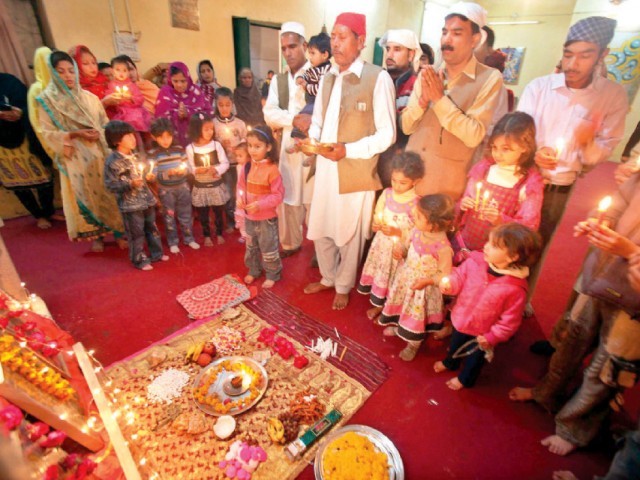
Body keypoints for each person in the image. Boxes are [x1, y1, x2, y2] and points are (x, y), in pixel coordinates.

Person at [509, 173, 640, 455]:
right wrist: (600, 222)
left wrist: (630, 251)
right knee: (572, 341)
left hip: (634, 306)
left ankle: (574, 428)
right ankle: (546, 393)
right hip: (602, 277)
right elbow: (618, 203)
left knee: (605, 370)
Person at [517, 16, 628, 310]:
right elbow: (520, 130)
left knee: (537, 243)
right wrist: (534, 152)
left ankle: (519, 300)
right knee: (506, 235)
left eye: (585, 55)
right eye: (568, 55)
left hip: (558, 186)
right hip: (522, 176)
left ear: (602, 54)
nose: (573, 64)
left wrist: (587, 142)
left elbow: (602, 151)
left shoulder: (612, 96)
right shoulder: (539, 87)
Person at [303, 12, 396, 310]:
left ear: (361, 41)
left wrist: (348, 150)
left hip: (355, 171)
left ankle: (343, 285)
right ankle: (328, 278)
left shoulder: (377, 78)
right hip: (326, 168)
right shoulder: (328, 76)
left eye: (343, 37)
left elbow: (387, 135)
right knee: (322, 225)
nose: (336, 43)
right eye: (333, 36)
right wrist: (311, 143)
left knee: (349, 233)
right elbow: (317, 121)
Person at [402, 2, 504, 199]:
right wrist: (422, 102)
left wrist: (439, 100)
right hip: (408, 180)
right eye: (444, 32)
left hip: (445, 188)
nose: (447, 40)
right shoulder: (428, 74)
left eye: (457, 33)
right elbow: (407, 128)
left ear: (475, 39)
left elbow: (474, 135)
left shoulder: (489, 78)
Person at [434, 223, 542, 389]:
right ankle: (451, 362)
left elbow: (509, 322)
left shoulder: (515, 289)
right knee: (455, 344)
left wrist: (492, 337)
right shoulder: (475, 263)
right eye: (488, 241)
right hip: (461, 318)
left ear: (512, 257)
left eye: (494, 246)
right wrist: (450, 285)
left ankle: (465, 379)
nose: (486, 247)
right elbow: (458, 276)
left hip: (483, 333)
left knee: (475, 359)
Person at [36, 50, 124, 251]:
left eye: (70, 71)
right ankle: (98, 236)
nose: (67, 75)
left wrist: (101, 136)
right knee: (87, 194)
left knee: (109, 192)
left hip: (100, 152)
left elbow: (104, 123)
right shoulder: (47, 100)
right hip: (75, 156)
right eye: (61, 71)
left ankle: (119, 232)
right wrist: (76, 134)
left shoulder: (90, 98)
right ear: (53, 73)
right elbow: (47, 132)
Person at [455, 112, 543, 257]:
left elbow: (528, 227)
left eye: (506, 149)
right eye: (495, 147)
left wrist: (500, 220)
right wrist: (463, 205)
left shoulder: (528, 183)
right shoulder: (483, 169)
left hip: (495, 255)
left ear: (525, 147)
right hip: (464, 242)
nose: (498, 154)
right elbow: (463, 201)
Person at [379, 194, 454, 361]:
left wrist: (428, 281)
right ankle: (400, 328)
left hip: (423, 289)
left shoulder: (443, 248)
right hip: (406, 280)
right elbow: (406, 246)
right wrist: (401, 251)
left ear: (434, 225)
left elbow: (444, 274)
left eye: (419, 216)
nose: (414, 214)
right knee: (402, 307)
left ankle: (413, 344)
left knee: (417, 317)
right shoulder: (416, 231)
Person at [264, 21, 313, 258]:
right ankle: (291, 243)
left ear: (304, 45)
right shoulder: (279, 80)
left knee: (314, 198)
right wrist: (295, 119)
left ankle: (319, 251)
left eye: (292, 46)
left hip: (314, 147)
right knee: (289, 196)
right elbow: (269, 113)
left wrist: (307, 120)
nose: (288, 53)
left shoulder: (320, 74)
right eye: (284, 48)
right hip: (286, 145)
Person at [357, 152, 424, 321]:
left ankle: (387, 306)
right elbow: (378, 213)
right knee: (381, 273)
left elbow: (418, 232)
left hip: (398, 249)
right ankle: (378, 302)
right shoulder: (387, 194)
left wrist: (399, 234)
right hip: (381, 246)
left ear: (415, 181)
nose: (396, 185)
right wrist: (375, 224)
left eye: (403, 182)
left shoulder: (417, 203)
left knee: (394, 278)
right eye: (394, 180)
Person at [103, 120, 167, 270]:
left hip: (146, 200)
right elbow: (110, 185)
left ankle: (156, 253)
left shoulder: (136, 156)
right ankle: (139, 259)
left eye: (133, 135)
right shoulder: (112, 162)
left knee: (152, 228)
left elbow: (143, 174)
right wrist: (129, 184)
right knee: (136, 233)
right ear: (116, 140)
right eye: (128, 136)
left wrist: (149, 177)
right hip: (130, 205)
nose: (133, 139)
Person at [1, 68, 56, 230]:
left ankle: (48, 211)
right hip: (1, 145)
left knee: (42, 175)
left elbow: (29, 104)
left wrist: (20, 112)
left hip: (22, 134)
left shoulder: (9, 81)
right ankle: (38, 215)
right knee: (15, 181)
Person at [236, 125, 284, 288]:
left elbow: (278, 195)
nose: (252, 150)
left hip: (266, 219)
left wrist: (261, 205)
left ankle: (272, 274)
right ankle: (254, 270)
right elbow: (241, 186)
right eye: (250, 146)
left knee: (268, 247)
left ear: (268, 147)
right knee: (251, 246)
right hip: (249, 217)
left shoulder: (272, 169)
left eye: (257, 146)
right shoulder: (247, 166)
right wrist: (240, 201)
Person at [376, 29, 422, 187]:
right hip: (374, 161)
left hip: (399, 167)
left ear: (411, 55)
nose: (389, 55)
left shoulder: (417, 85)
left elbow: (406, 128)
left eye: (397, 49)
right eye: (388, 49)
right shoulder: (379, 79)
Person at [146, 117, 199, 253]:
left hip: (182, 188)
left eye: (168, 136)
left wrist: (182, 170)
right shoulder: (153, 154)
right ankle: (173, 241)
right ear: (154, 137)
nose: (165, 140)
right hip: (166, 191)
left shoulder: (179, 149)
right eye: (161, 137)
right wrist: (166, 174)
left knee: (186, 214)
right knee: (169, 216)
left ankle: (189, 238)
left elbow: (188, 167)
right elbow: (154, 173)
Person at [186, 113, 229, 246]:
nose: (210, 132)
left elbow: (225, 163)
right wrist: (196, 170)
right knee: (203, 213)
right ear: (197, 129)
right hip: (201, 186)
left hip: (215, 185)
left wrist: (216, 170)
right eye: (206, 129)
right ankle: (206, 235)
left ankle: (219, 233)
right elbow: (189, 166)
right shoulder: (191, 148)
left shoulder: (216, 145)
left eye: (211, 129)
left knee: (218, 211)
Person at [213, 87, 248, 233]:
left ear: (232, 104)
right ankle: (230, 221)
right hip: (224, 165)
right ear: (216, 104)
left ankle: (243, 218)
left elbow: (246, 140)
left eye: (227, 105)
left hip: (239, 164)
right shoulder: (214, 123)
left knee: (239, 191)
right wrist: (220, 145)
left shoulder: (239, 123)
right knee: (227, 193)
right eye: (221, 105)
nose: (224, 108)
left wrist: (240, 147)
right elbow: (212, 142)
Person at [155, 62, 213, 147]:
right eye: (175, 81)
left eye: (183, 81)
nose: (179, 85)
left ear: (188, 78)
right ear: (170, 79)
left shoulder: (196, 92)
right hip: (173, 144)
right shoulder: (165, 93)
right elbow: (160, 120)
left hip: (198, 143)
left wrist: (189, 113)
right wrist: (176, 114)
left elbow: (208, 115)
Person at [291, 31, 332, 140]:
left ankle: (305, 137)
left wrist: (307, 87)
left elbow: (321, 89)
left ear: (325, 55)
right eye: (309, 53)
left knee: (306, 118)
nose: (310, 57)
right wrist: (301, 78)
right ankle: (299, 139)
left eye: (313, 53)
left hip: (316, 101)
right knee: (300, 115)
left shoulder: (328, 71)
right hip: (309, 100)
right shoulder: (313, 69)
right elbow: (305, 75)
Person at [105, 55, 152, 136]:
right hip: (121, 112)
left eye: (124, 70)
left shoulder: (131, 85)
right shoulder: (111, 85)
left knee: (136, 119)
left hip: (135, 111)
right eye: (118, 70)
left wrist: (130, 98)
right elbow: (109, 98)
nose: (121, 73)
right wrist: (114, 98)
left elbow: (140, 98)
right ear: (113, 71)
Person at [233, 142, 251, 243]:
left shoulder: (252, 166)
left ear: (248, 156)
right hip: (240, 193)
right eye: (236, 156)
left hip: (249, 194)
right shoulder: (238, 167)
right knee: (241, 214)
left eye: (240, 156)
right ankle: (243, 233)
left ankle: (251, 233)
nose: (237, 158)